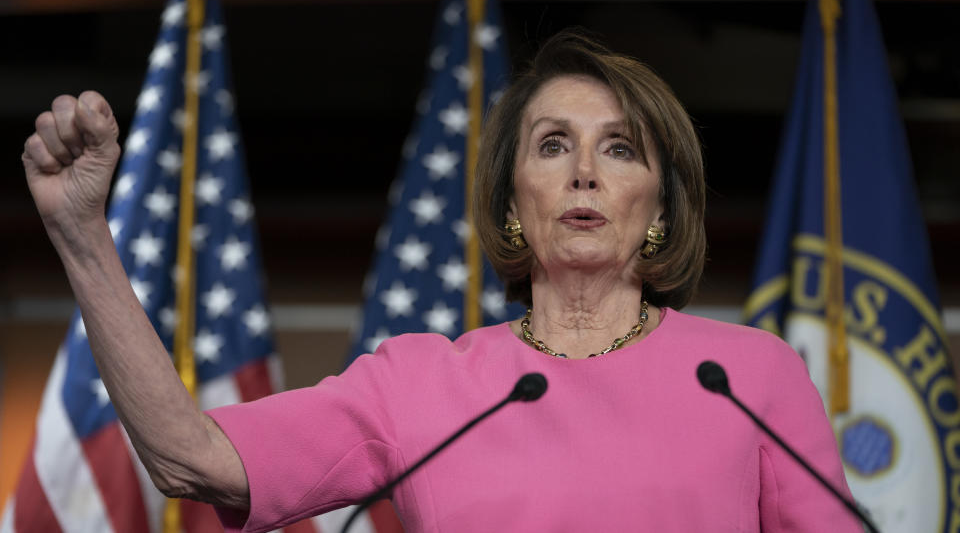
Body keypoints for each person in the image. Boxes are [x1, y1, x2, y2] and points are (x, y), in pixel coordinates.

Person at [21, 31, 861, 532]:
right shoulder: (420, 385)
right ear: (510, 204)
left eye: (619, 148)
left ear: (660, 209)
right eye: (552, 145)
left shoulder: (752, 378)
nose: (583, 174)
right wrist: (83, 237)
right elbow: (190, 458)